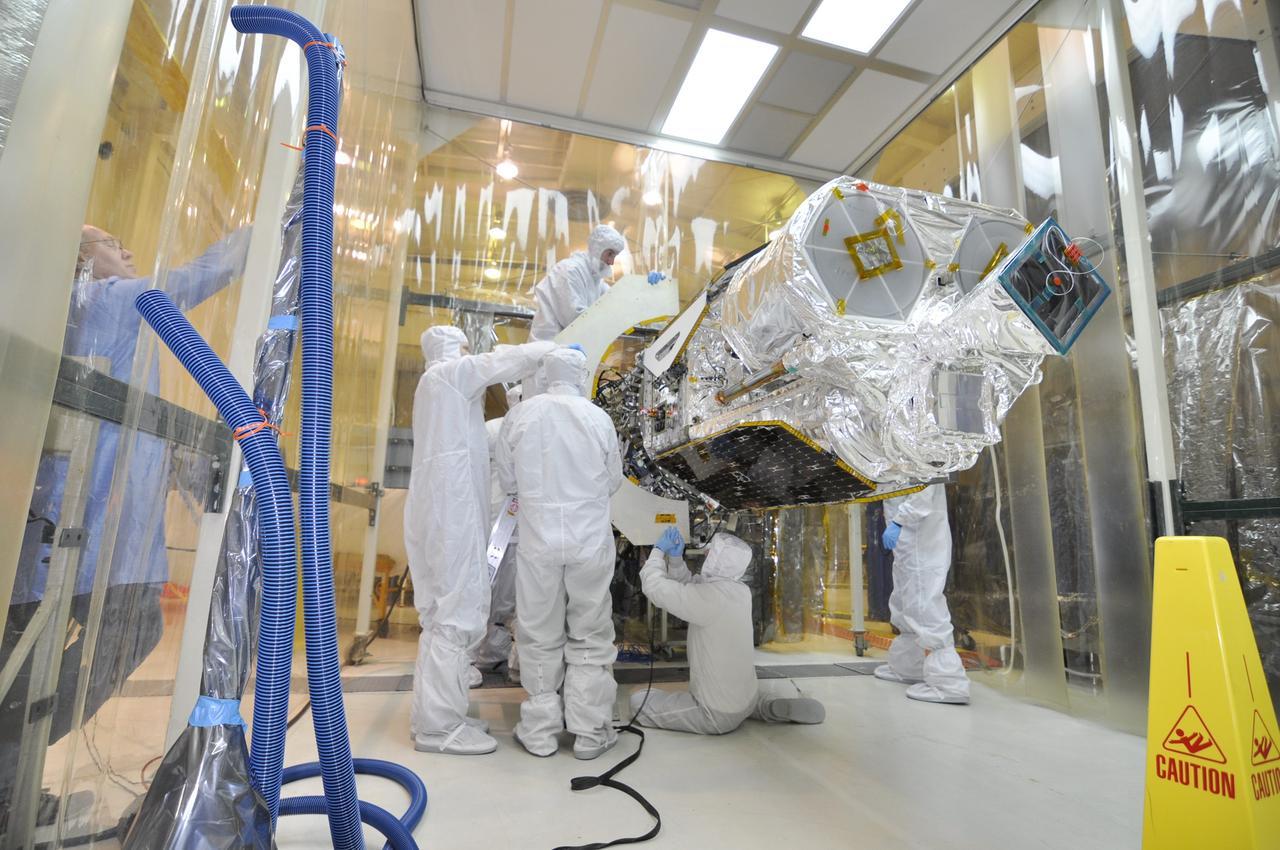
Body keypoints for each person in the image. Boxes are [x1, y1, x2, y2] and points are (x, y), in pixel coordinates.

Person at [1, 225, 251, 831]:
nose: (129, 251)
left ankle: (12, 789)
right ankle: (10, 765)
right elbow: (197, 276)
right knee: (130, 630)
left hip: (46, 529)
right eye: (112, 242)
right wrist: (268, 225)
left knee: (26, 657)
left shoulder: (54, 314)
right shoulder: (114, 301)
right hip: (98, 534)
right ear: (83, 260)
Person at [404, 326, 555, 755]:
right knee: (456, 614)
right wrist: (553, 348)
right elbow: (497, 364)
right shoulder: (448, 375)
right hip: (449, 513)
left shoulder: (438, 390)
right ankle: (439, 729)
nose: (473, 354)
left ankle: (432, 718)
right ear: (453, 349)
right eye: (468, 348)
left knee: (442, 618)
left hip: (440, 508)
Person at [495, 347, 623, 759]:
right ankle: (589, 733)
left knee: (537, 632)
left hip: (539, 542)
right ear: (581, 374)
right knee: (589, 630)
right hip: (589, 540)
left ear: (547, 375)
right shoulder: (597, 418)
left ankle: (540, 732)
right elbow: (612, 481)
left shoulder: (521, 416)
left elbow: (508, 481)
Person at [630, 528, 826, 734]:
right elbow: (693, 590)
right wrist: (677, 560)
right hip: (747, 698)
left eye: (710, 553)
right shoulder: (740, 592)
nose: (706, 555)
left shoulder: (709, 598)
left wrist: (658, 551)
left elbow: (654, 587)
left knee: (638, 702)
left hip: (713, 714)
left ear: (718, 560)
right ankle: (765, 707)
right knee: (744, 700)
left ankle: (741, 712)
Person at [873, 484, 970, 704]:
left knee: (924, 605)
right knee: (904, 601)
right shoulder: (896, 452)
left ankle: (949, 683)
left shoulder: (923, 451)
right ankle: (907, 667)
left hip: (920, 536)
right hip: (907, 541)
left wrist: (900, 520)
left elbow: (924, 490)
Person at [471, 385, 523, 685]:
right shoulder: (504, 430)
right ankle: (513, 662)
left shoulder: (491, 430)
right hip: (506, 525)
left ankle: (491, 655)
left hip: (499, 523)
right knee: (518, 598)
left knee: (491, 595)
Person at [528, 224, 626, 341]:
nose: (611, 262)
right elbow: (575, 319)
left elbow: (617, 301)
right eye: (609, 254)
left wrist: (646, 287)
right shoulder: (569, 270)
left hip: (567, 350)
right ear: (597, 248)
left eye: (614, 256)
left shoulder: (596, 282)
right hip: (547, 346)